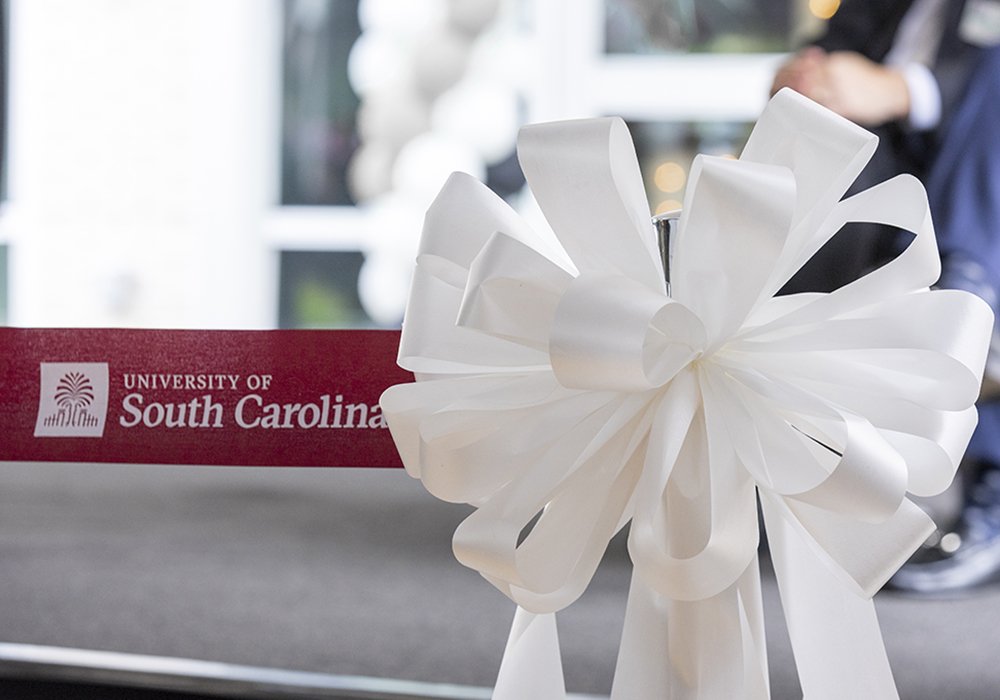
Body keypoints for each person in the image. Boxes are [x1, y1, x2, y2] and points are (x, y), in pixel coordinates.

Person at [772, 0, 1000, 595]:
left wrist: (906, 90)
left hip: (977, 165)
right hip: (897, 173)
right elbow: (832, 47)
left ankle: (970, 290)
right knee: (823, 152)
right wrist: (803, 80)